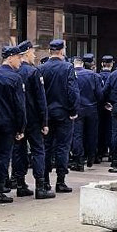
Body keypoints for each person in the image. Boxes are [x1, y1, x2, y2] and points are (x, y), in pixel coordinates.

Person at [12, 41, 53, 199]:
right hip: (34, 119)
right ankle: (40, 186)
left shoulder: (14, 71)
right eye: (32, 52)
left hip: (19, 119)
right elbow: (40, 99)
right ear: (26, 53)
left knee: (19, 151)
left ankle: (20, 184)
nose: (34, 55)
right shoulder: (33, 72)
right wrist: (44, 121)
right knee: (38, 150)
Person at [0, 45, 26, 204]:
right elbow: (19, 106)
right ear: (10, 57)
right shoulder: (15, 78)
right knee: (3, 156)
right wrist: (21, 127)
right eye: (18, 57)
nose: (21, 61)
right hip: (8, 124)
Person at [40, 40, 78, 193]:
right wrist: (73, 110)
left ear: (50, 51)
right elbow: (72, 91)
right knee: (63, 147)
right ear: (62, 51)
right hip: (64, 114)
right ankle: (60, 181)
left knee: (46, 147)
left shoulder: (41, 68)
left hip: (47, 114)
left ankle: (45, 180)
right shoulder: (68, 67)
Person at [73, 53, 103, 170]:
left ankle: (79, 162)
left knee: (77, 135)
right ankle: (91, 157)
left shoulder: (72, 74)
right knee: (92, 134)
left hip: (78, 108)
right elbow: (99, 94)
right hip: (92, 108)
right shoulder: (93, 75)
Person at [97, 55, 114, 163]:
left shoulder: (97, 76)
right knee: (110, 130)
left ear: (102, 64)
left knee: (99, 129)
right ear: (112, 64)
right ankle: (111, 153)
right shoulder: (113, 76)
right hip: (110, 106)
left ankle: (100, 152)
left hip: (99, 107)